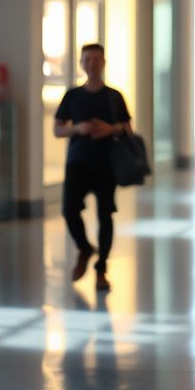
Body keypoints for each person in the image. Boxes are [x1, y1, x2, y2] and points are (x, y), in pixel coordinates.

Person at [53, 43, 133, 292]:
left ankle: (101, 270)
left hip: (106, 163)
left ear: (104, 63)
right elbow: (57, 128)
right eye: (87, 59)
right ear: (81, 63)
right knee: (69, 210)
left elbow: (129, 129)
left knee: (105, 215)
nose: (92, 64)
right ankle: (85, 249)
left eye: (97, 59)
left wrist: (112, 129)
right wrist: (77, 129)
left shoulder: (114, 96)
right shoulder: (72, 96)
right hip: (77, 162)